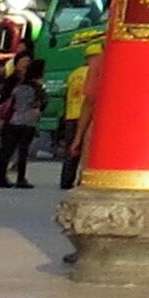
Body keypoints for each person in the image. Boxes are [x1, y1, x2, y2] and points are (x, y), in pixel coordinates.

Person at [0, 54, 51, 189]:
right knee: (23, 152)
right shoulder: (37, 87)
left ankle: (0, 176)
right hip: (27, 122)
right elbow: (42, 103)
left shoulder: (19, 86)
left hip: (13, 120)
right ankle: (20, 178)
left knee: (6, 150)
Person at [55, 46, 97, 191]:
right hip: (87, 115)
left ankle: (66, 180)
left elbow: (67, 94)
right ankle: (82, 178)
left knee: (71, 149)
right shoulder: (94, 71)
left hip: (71, 114)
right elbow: (90, 98)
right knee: (86, 149)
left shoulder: (74, 73)